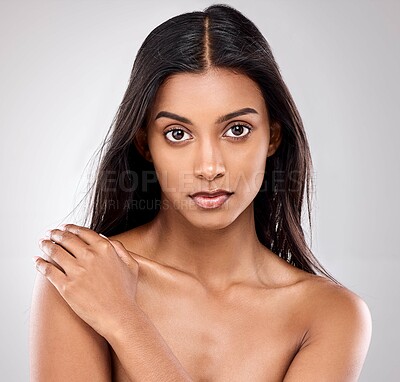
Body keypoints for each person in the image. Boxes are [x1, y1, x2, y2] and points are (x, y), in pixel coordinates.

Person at [30, 4, 372, 381]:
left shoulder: (329, 315)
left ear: (273, 136)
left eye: (237, 130)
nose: (209, 168)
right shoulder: (80, 278)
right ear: (145, 144)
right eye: (178, 134)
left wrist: (126, 321)